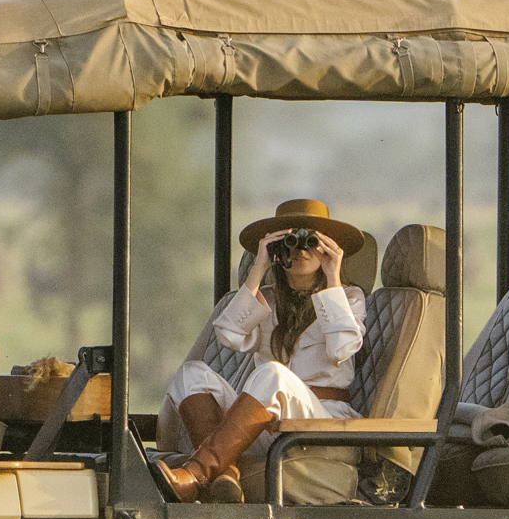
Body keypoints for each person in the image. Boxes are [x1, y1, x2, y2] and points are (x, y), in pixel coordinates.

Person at [152, 197, 368, 502]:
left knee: (272, 373)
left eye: (313, 241)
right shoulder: (266, 297)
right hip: (267, 425)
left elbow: (342, 348)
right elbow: (227, 335)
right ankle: (225, 475)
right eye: (291, 242)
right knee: (191, 373)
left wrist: (333, 276)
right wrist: (259, 266)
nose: (302, 249)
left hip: (320, 422)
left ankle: (197, 474)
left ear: (328, 248)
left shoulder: (349, 297)